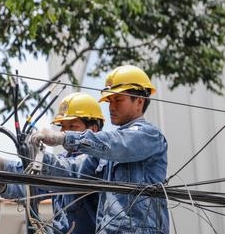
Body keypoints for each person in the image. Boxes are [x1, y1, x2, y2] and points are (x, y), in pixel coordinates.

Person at [29, 65, 169, 233]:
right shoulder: (104, 151)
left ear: (139, 101)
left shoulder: (149, 136)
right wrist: (39, 160)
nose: (111, 106)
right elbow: (74, 170)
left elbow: (118, 144)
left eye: (118, 100)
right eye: (110, 101)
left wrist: (66, 138)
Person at [0, 92, 105, 234]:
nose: (65, 132)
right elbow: (33, 187)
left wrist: (4, 166)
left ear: (93, 130)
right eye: (63, 127)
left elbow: (67, 170)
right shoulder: (62, 160)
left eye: (72, 126)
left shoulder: (98, 161)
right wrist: (3, 186)